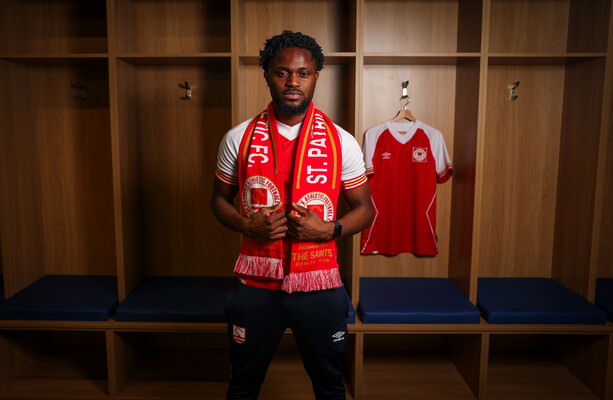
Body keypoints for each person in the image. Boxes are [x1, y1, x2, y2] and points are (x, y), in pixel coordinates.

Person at [211, 30, 373, 400]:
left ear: (316, 76)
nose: (293, 82)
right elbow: (218, 200)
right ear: (267, 75)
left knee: (330, 386)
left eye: (303, 73)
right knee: (242, 385)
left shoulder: (341, 140)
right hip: (256, 283)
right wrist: (245, 224)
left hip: (319, 284)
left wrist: (330, 229)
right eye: (282, 72)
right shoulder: (239, 137)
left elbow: (365, 209)